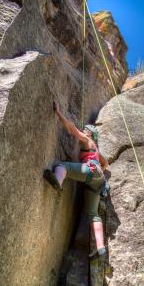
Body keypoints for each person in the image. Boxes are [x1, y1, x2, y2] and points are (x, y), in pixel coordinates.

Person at [43, 102, 109, 257]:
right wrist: (100, 169)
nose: (84, 131)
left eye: (86, 130)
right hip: (99, 180)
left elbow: (72, 129)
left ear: (90, 134)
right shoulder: (95, 149)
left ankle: (58, 182)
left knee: (61, 166)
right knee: (93, 213)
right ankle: (100, 247)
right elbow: (106, 163)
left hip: (90, 172)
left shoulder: (87, 140)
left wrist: (59, 113)